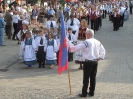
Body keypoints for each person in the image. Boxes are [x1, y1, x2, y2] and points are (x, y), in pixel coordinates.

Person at [70, 29, 106, 97]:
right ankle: (92, 92)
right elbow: (103, 50)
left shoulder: (86, 42)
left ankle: (84, 93)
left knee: (86, 78)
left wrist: (69, 47)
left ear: (88, 34)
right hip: (95, 62)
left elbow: (77, 47)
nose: (85, 35)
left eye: (86, 34)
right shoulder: (97, 42)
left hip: (88, 62)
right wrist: (100, 57)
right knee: (93, 77)